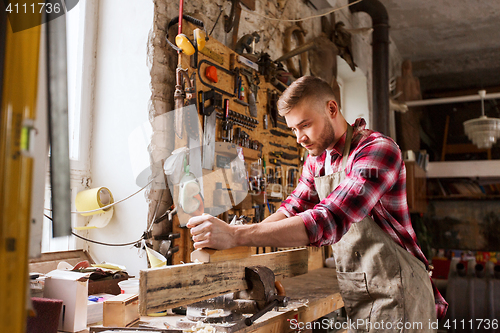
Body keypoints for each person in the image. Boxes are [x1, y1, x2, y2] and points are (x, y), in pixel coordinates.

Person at [187, 76, 447, 331]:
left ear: (332, 108)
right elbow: (293, 207)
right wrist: (237, 244)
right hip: (361, 292)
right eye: (293, 129)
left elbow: (328, 219)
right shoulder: (317, 160)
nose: (299, 137)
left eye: (305, 125)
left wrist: (235, 235)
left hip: (400, 291)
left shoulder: (377, 150)